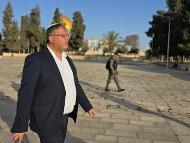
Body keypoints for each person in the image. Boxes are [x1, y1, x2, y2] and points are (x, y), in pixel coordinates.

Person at [11, 23, 96, 143]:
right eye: (63, 35)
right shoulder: (36, 60)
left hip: (64, 115)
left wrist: (87, 106)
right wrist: (20, 126)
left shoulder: (68, 60)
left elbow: (75, 85)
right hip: (46, 117)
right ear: (51, 38)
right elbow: (26, 93)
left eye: (67, 35)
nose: (68, 38)